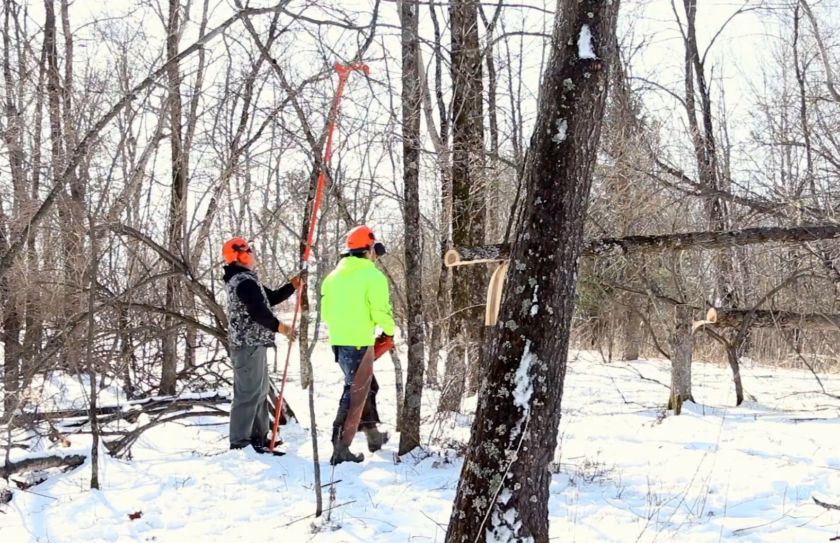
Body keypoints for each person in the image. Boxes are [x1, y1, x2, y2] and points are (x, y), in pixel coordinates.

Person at [222, 237, 304, 453]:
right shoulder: (244, 282)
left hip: (254, 345)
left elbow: (270, 298)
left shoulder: (246, 280)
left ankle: (259, 437)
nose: (254, 254)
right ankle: (240, 443)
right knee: (248, 394)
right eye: (250, 250)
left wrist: (291, 286)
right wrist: (281, 327)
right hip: (247, 346)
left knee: (259, 392)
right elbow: (258, 312)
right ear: (242, 255)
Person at [321, 225, 395, 465]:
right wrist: (390, 330)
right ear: (370, 249)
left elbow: (327, 313)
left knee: (367, 387)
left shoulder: (332, 277)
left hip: (339, 343)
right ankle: (340, 447)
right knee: (354, 394)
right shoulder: (372, 276)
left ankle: (373, 436)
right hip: (360, 343)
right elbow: (380, 311)